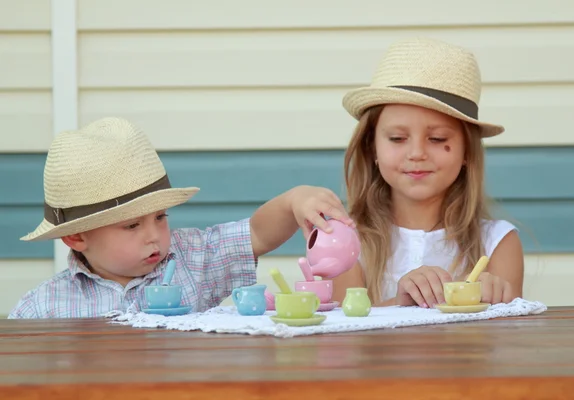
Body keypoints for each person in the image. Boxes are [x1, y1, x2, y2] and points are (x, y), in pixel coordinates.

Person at [9, 117, 353, 318]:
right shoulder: (42, 307)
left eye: (160, 217)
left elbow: (257, 235)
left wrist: (294, 200)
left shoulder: (193, 259)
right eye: (132, 224)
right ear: (77, 237)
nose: (154, 235)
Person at [332, 37, 524, 308]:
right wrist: (400, 305)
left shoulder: (497, 243)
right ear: (371, 148)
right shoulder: (345, 241)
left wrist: (496, 303)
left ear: (467, 151)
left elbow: (503, 344)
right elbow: (342, 337)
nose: (417, 153)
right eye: (398, 138)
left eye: (436, 139)